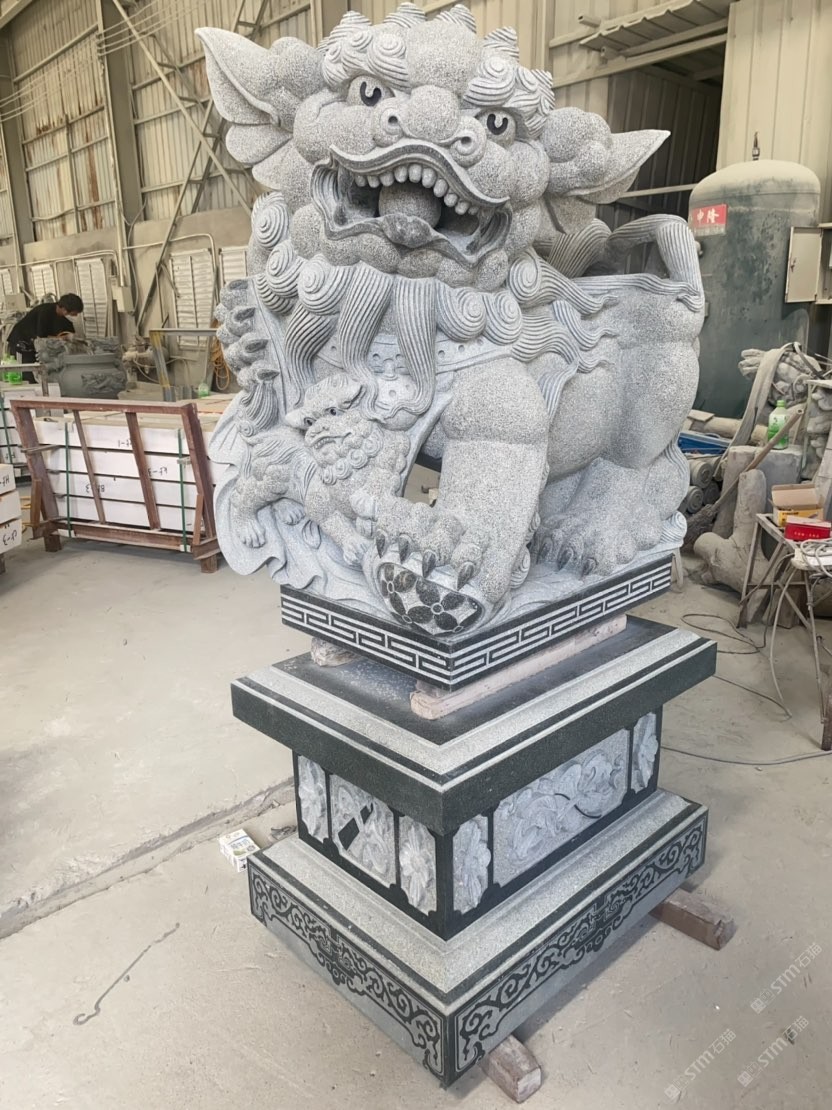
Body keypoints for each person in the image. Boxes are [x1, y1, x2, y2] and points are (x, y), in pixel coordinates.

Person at [5, 293, 84, 362]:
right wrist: (64, 338)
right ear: (64, 310)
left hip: (37, 344)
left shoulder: (66, 320)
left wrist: (77, 340)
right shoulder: (45, 311)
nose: (75, 316)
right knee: (28, 368)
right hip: (22, 341)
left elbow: (70, 334)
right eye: (73, 314)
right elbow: (42, 336)